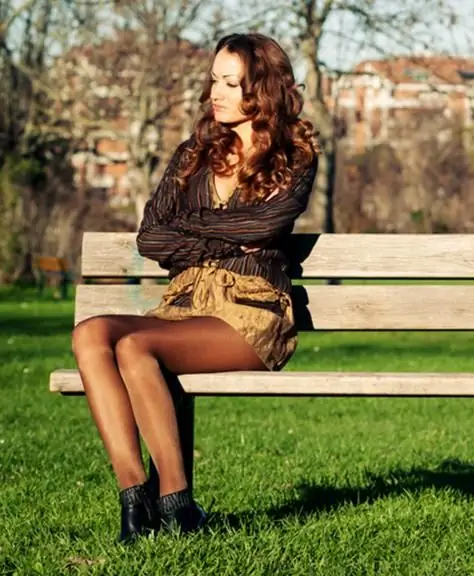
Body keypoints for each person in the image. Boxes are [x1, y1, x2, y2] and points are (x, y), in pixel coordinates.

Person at [69, 32, 319, 543]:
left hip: (252, 312)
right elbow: (152, 236)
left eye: (231, 83)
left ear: (263, 90)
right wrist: (218, 233)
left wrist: (194, 226)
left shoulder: (295, 154)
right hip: (185, 305)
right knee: (91, 334)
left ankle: (177, 504)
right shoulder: (194, 153)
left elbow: (264, 228)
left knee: (137, 346)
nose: (216, 92)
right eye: (214, 80)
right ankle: (136, 502)